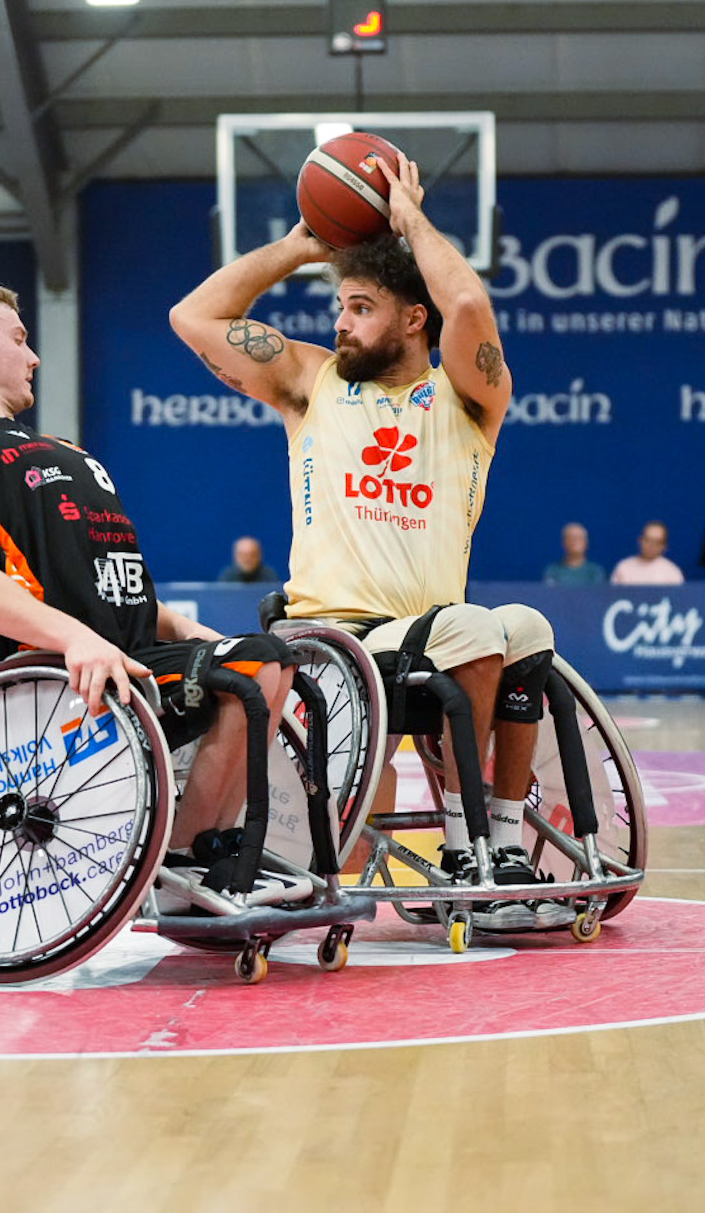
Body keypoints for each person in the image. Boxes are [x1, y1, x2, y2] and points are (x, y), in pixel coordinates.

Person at [169, 155, 570, 910]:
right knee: (473, 627)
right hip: (334, 637)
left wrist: (410, 218)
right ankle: (464, 844)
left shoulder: (468, 398)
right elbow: (194, 318)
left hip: (429, 633)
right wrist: (298, 247)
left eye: (360, 306)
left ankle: (504, 838)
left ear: (414, 318)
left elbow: (468, 305)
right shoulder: (310, 381)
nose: (340, 322)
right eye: (341, 306)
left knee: (526, 624)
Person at [0, 276, 298, 891]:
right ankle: (182, 859)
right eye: (19, 339)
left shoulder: (66, 450)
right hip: (55, 674)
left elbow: (108, 582)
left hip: (131, 659)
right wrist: (76, 639)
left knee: (270, 660)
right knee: (257, 666)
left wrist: (189, 629)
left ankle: (206, 846)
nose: (34, 356)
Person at [612, 521, 686, 585]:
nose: (651, 545)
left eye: (657, 542)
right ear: (640, 540)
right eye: (648, 540)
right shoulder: (624, 567)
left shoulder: (672, 573)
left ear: (664, 546)